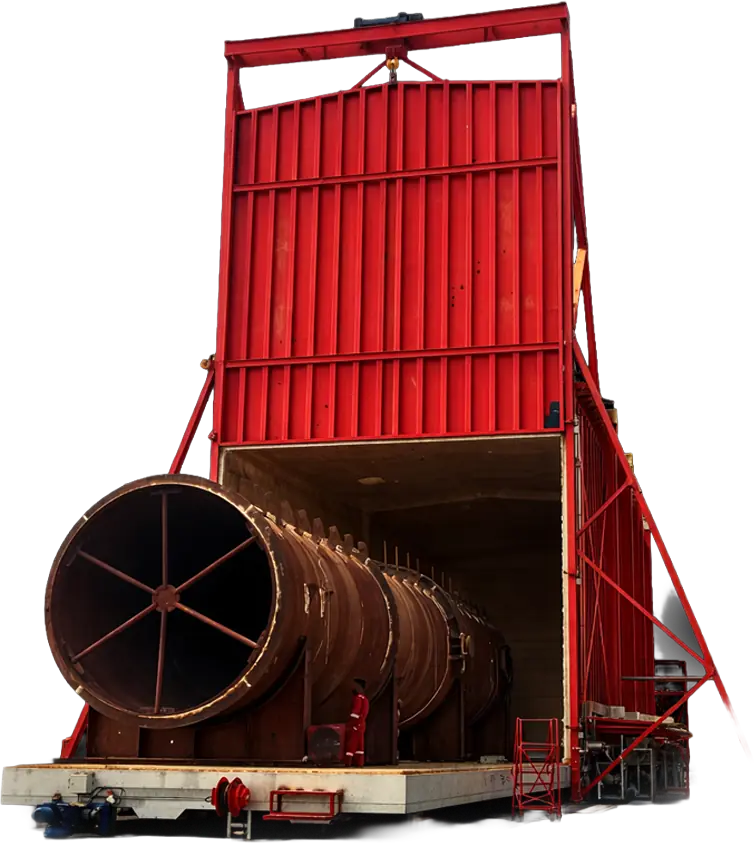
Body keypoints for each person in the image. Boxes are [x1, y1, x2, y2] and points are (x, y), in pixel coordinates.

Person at [344, 679, 369, 767]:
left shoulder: (357, 698)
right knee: (359, 746)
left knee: (351, 744)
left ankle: (348, 762)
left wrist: (350, 724)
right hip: (361, 725)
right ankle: (359, 763)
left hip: (355, 724)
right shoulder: (365, 699)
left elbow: (355, 712)